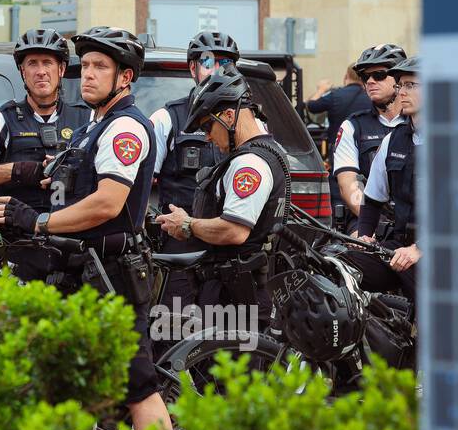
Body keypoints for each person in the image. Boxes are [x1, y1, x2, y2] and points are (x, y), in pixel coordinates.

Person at [0, 26, 172, 430]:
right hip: (87, 272)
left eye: (100, 66)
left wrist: (38, 222)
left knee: (138, 385)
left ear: (124, 77)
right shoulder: (96, 126)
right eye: (85, 65)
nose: (87, 73)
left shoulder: (124, 128)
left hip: (116, 275)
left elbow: (108, 202)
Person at [0, 28, 89, 282]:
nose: (41, 71)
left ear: (61, 70)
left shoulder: (87, 118)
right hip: (18, 247)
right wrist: (18, 170)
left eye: (48, 62)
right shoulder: (1, 119)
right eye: (32, 63)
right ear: (22, 72)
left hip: (74, 244)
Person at [155, 70, 291, 320]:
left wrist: (186, 224)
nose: (206, 136)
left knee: (230, 359)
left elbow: (234, 230)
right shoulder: (269, 151)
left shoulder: (249, 164)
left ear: (229, 116)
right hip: (239, 291)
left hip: (236, 297)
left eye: (208, 125)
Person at [149, 31, 241, 305]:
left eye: (226, 63)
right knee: (174, 328)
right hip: (180, 244)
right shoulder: (166, 118)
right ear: (192, 68)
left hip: (229, 242)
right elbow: (141, 187)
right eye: (208, 62)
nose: (218, 70)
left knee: (232, 332)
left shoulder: (248, 122)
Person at [348, 55, 420, 305]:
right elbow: (373, 197)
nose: (402, 92)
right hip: (397, 246)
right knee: (341, 267)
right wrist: (365, 236)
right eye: (401, 85)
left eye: (411, 85)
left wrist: (418, 249)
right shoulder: (394, 140)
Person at [333, 44, 408, 234]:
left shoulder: (420, 124)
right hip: (366, 218)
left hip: (412, 220)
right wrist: (379, 224)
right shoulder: (352, 126)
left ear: (399, 79)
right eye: (366, 77)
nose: (371, 81)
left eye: (380, 75)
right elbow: (349, 184)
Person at [305, 64, 372, 222]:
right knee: (364, 192)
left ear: (345, 76)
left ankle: (341, 227)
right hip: (368, 153)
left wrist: (321, 89)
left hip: (340, 155)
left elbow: (312, 106)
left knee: (339, 196)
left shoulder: (336, 95)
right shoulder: (371, 96)